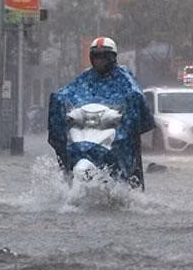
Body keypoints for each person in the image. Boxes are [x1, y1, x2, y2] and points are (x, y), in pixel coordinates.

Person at [48, 37, 154, 187]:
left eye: (104, 56)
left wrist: (129, 108)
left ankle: (127, 183)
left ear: (112, 58)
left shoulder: (123, 77)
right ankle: (68, 175)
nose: (100, 60)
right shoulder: (86, 76)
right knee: (70, 148)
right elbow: (68, 91)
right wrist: (58, 100)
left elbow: (135, 94)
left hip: (115, 127)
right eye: (96, 56)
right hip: (88, 125)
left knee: (127, 151)